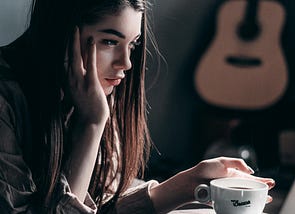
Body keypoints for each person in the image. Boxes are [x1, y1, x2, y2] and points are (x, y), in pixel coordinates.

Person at [0, 0, 275, 213]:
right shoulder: (7, 101)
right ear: (60, 32)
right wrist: (92, 126)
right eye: (110, 41)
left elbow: (97, 206)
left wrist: (185, 185)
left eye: (132, 44)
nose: (126, 63)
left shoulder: (89, 95)